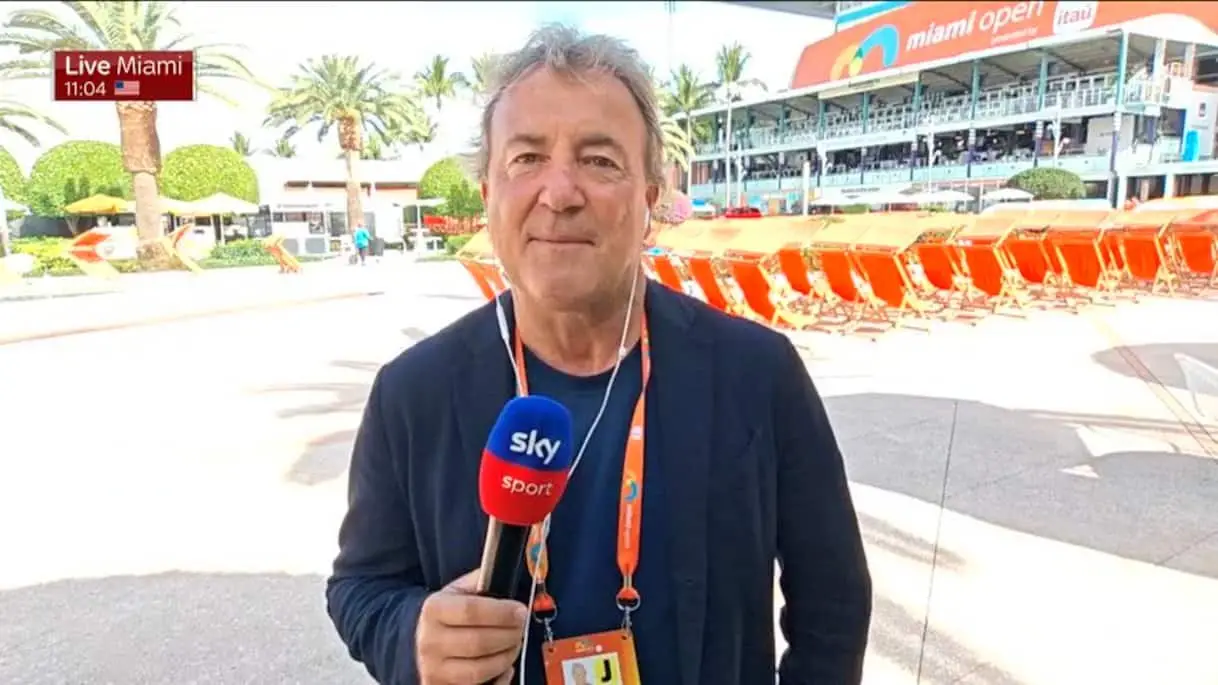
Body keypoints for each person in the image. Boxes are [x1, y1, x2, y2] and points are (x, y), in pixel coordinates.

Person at [326, 24, 872, 685]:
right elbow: (361, 586)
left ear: (649, 201)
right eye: (526, 158)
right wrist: (411, 634)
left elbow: (833, 601)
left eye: (600, 160)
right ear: (489, 196)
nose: (560, 193)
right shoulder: (413, 394)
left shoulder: (758, 375)